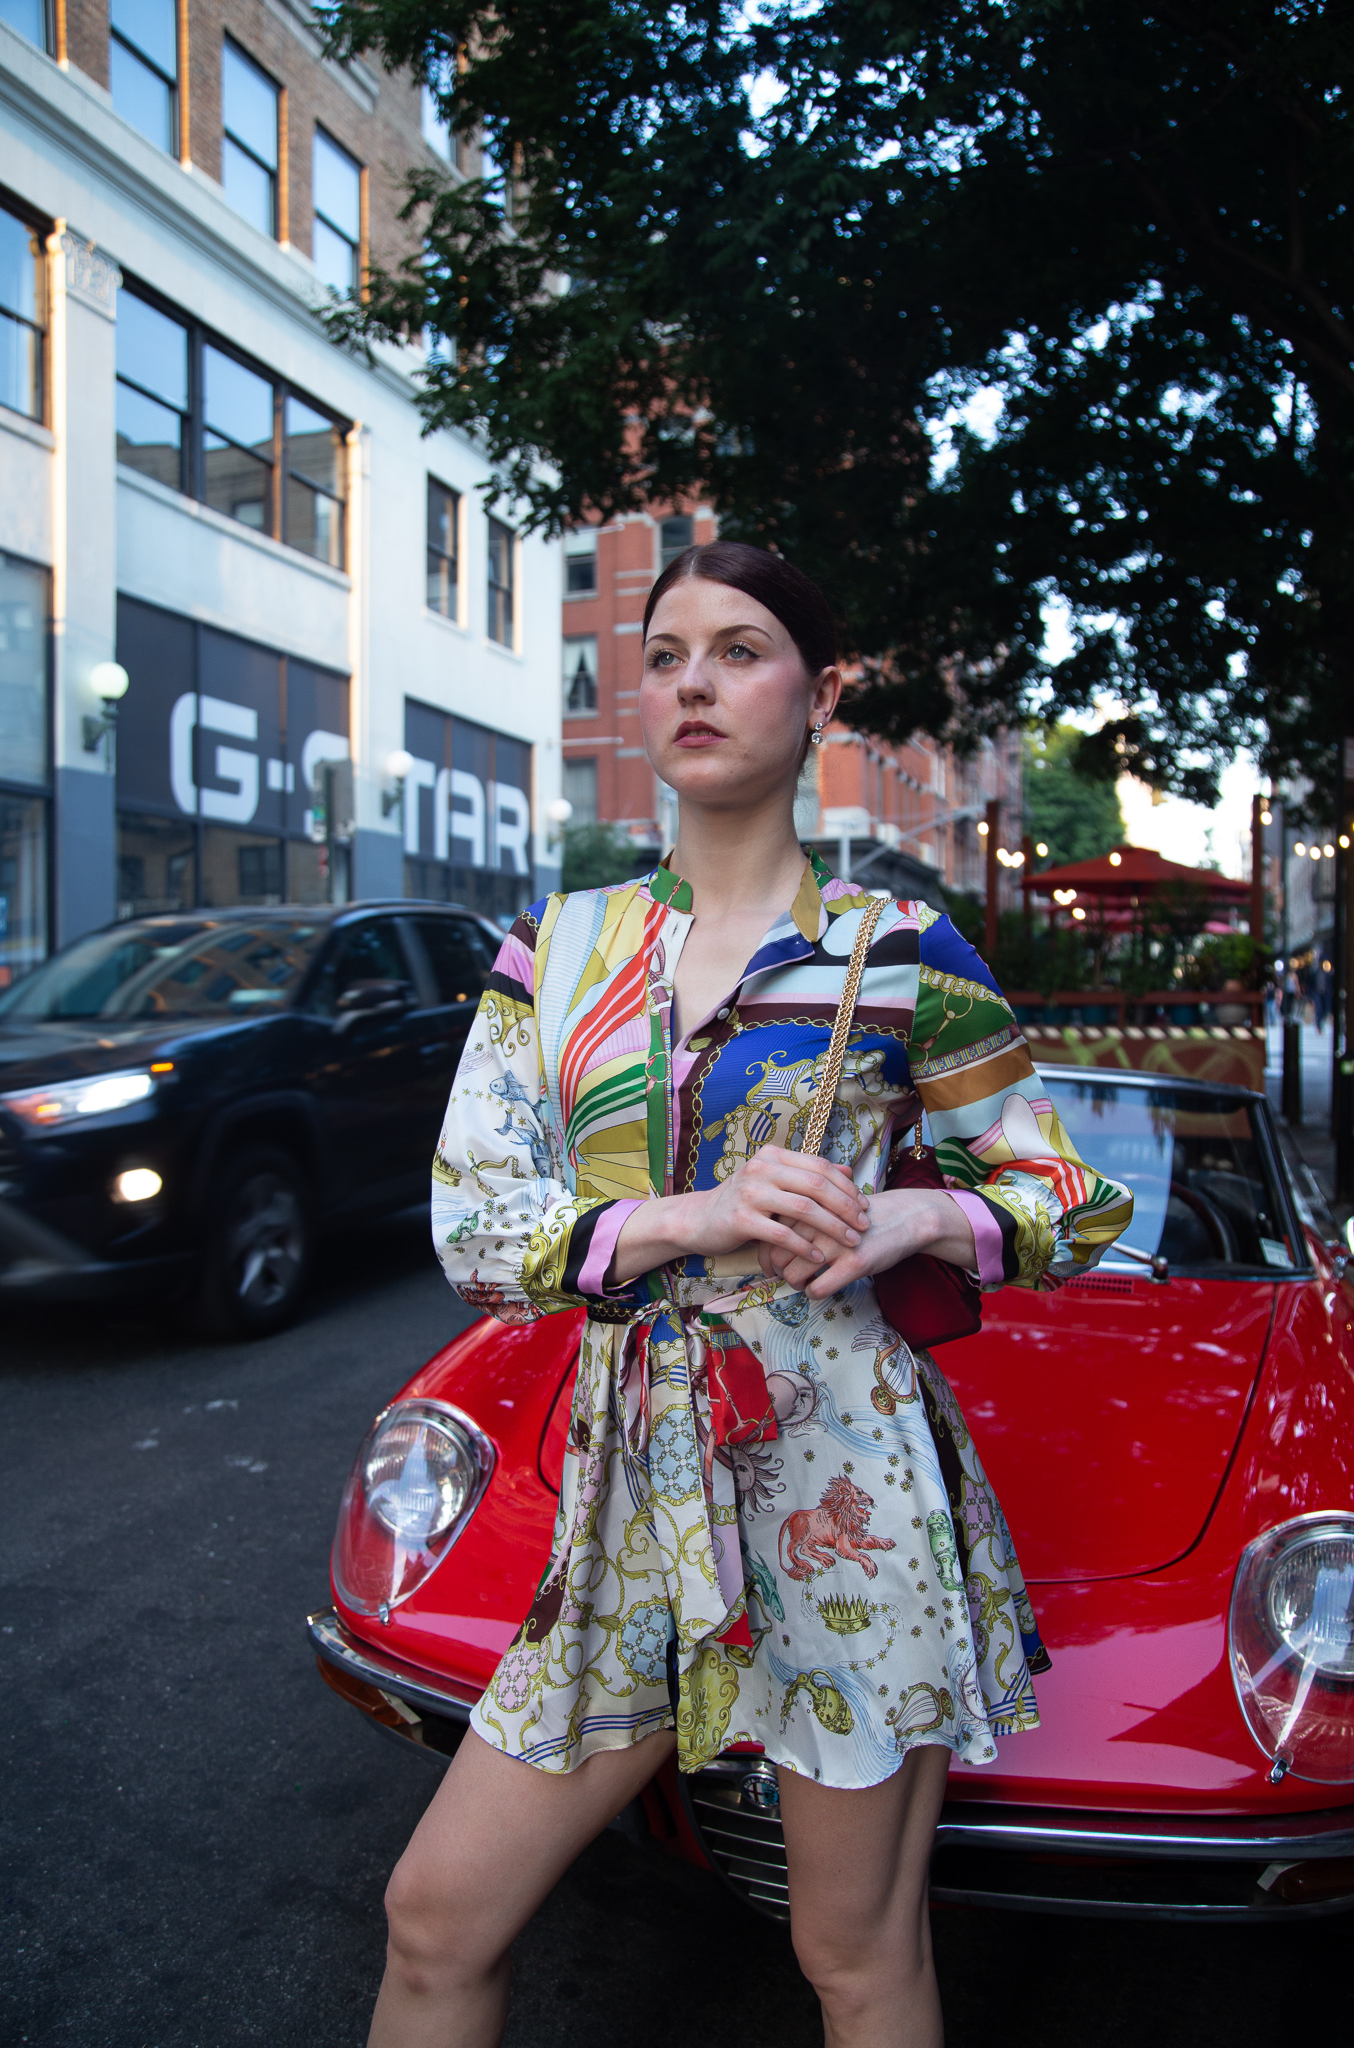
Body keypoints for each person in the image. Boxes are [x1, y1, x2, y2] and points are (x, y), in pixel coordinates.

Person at [370, 542, 1133, 2048]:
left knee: (851, 1956)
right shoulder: (562, 948)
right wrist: (689, 1216)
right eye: (662, 657)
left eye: (737, 648)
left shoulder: (900, 954)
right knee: (432, 1918)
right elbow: (474, 1227)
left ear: (820, 691)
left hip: (840, 1485)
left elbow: (1072, 1199)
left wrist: (923, 1205)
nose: (692, 683)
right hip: (623, 1502)